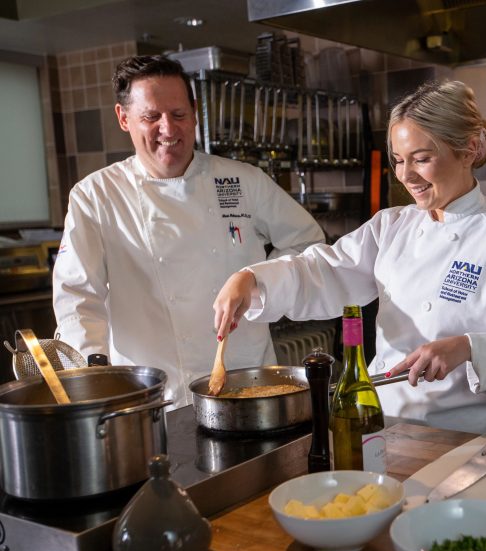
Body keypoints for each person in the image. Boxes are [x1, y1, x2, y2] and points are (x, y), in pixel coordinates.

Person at [212, 80, 486, 434]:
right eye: (399, 160)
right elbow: (325, 271)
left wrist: (469, 348)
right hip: (382, 424)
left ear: (469, 150)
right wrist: (253, 279)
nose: (407, 176)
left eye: (421, 159)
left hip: (459, 438)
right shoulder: (391, 226)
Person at [53, 55, 325, 408]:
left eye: (179, 114)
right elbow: (78, 297)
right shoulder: (96, 196)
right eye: (151, 117)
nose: (168, 129)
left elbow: (308, 244)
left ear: (195, 113)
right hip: (149, 396)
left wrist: (258, 280)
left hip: (245, 383)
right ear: (124, 118)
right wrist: (93, 382)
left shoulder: (243, 181)